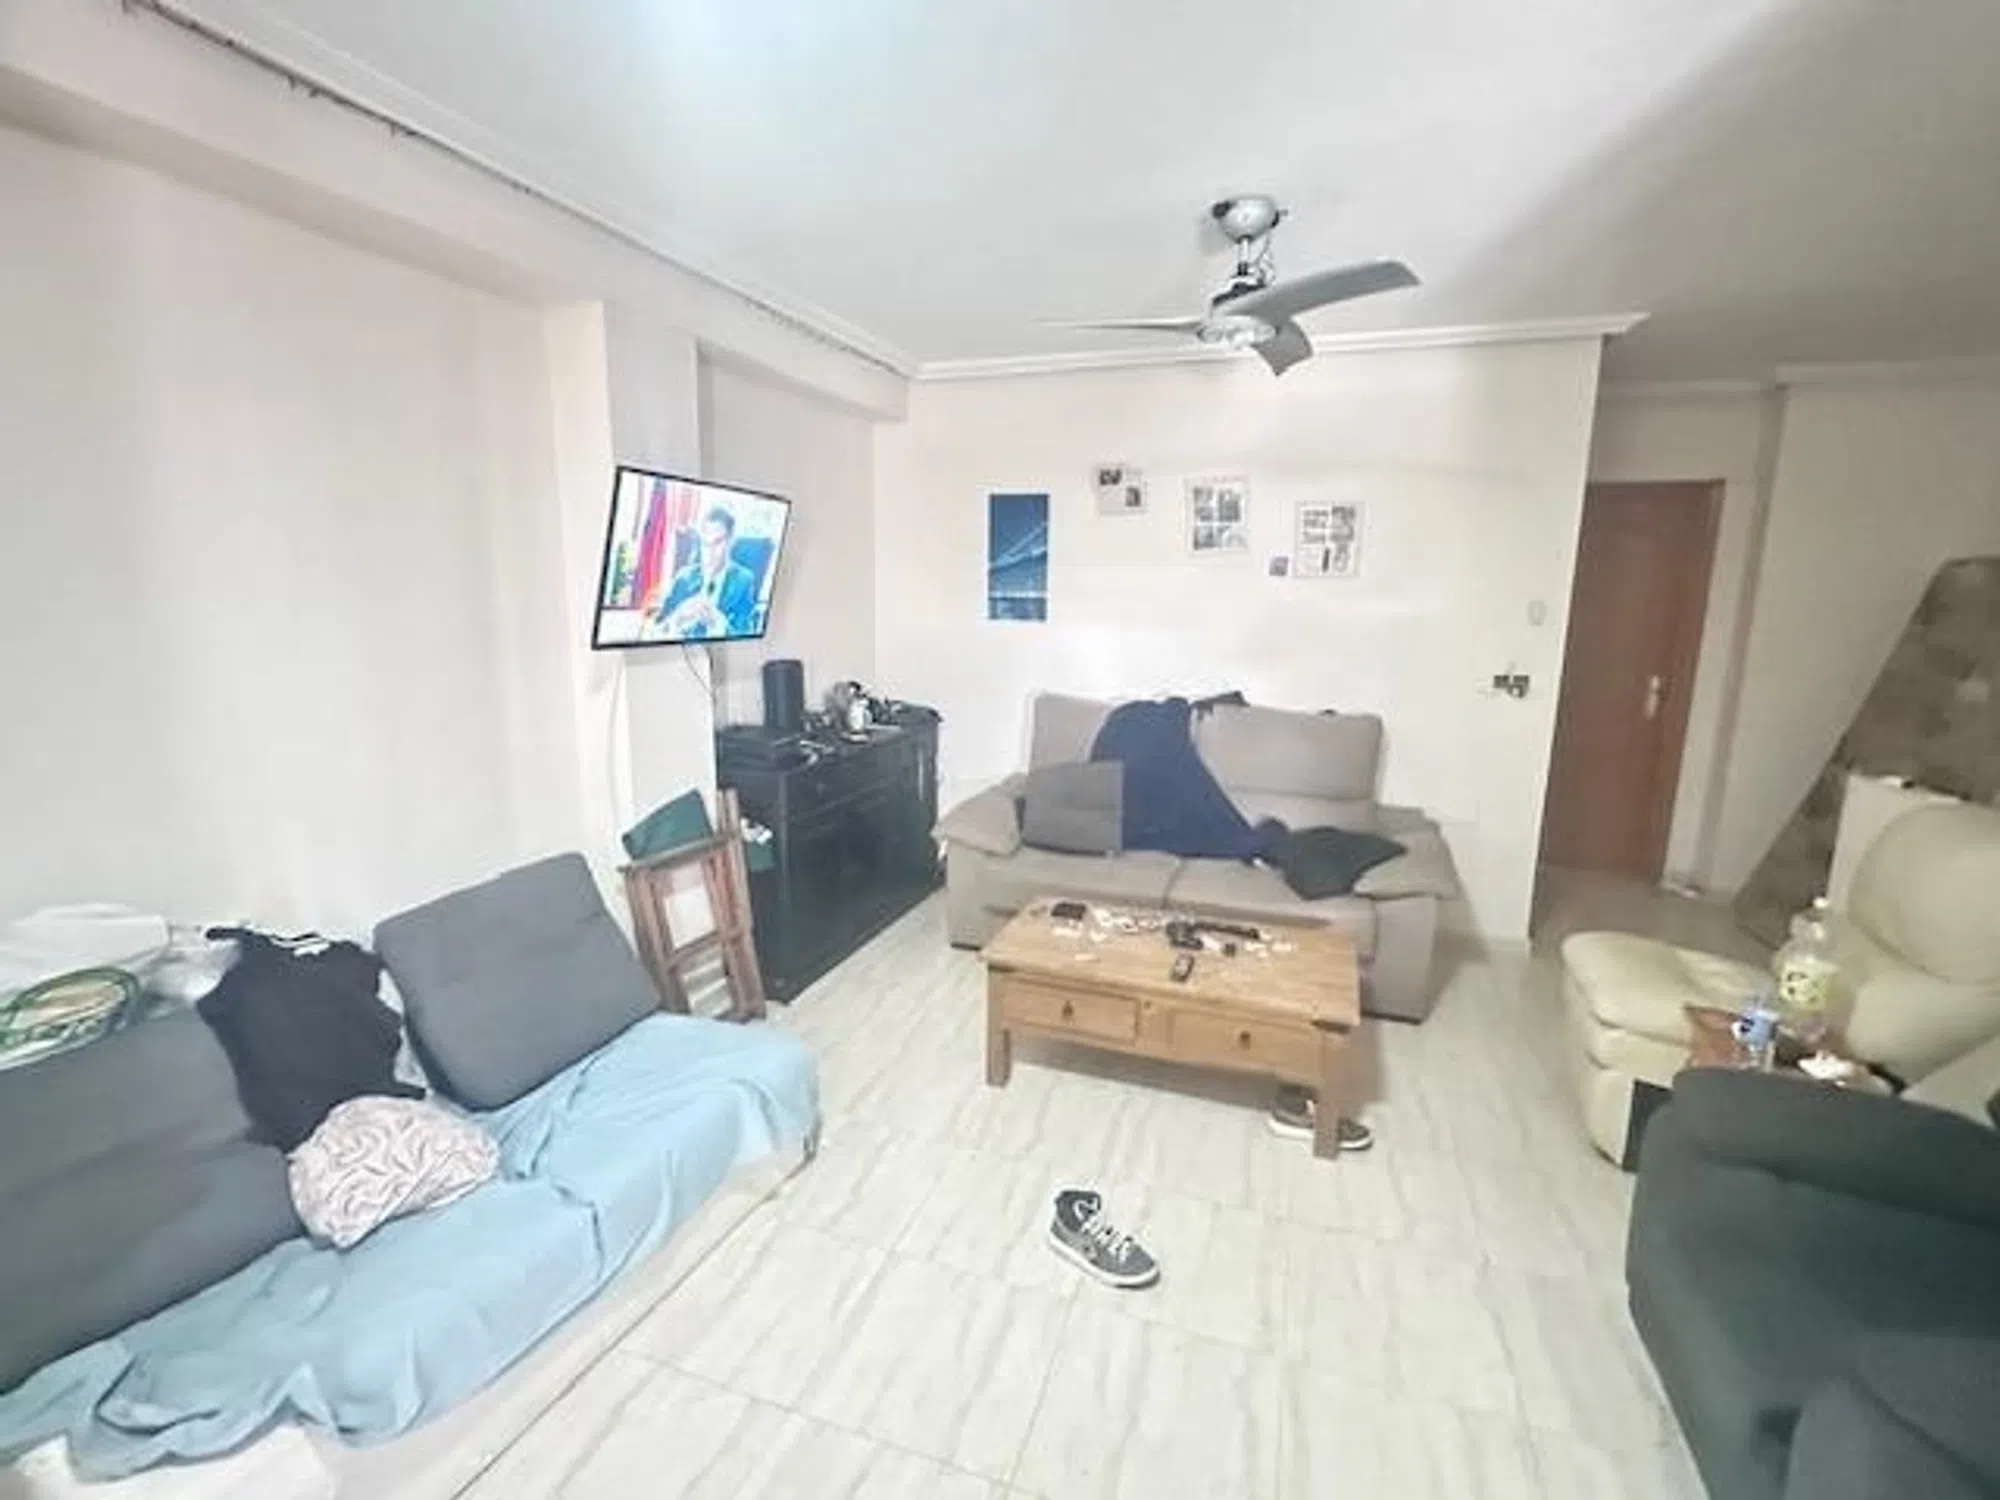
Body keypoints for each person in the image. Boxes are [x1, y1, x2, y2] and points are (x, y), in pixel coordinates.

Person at [653, 505, 759, 639]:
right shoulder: (684, 577)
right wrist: (678, 617)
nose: (709, 552)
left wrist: (716, 622)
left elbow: (745, 634)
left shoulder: (744, 581)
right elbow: (657, 629)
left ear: (731, 541)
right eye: (705, 543)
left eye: (717, 542)